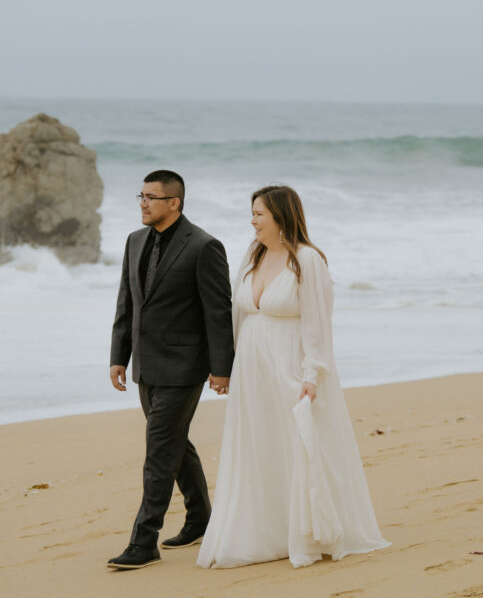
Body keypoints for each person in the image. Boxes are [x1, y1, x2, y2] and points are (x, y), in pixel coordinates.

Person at [197, 184, 390, 570]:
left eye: (258, 214)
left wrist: (312, 375)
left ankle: (307, 530)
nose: (251, 221)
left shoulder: (308, 260)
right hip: (253, 369)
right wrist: (224, 367)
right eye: (252, 213)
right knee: (259, 445)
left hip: (291, 367)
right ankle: (266, 529)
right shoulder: (253, 257)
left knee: (298, 446)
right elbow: (238, 317)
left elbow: (318, 323)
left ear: (280, 217)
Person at [107, 170, 234, 570]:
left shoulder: (203, 246)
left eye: (151, 197)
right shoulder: (134, 241)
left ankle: (144, 542)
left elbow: (218, 311)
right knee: (176, 444)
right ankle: (201, 519)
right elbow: (127, 303)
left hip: (184, 367)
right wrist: (118, 356)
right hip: (147, 365)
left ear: (174, 203)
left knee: (159, 451)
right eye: (141, 196)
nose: (143, 203)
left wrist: (222, 368)